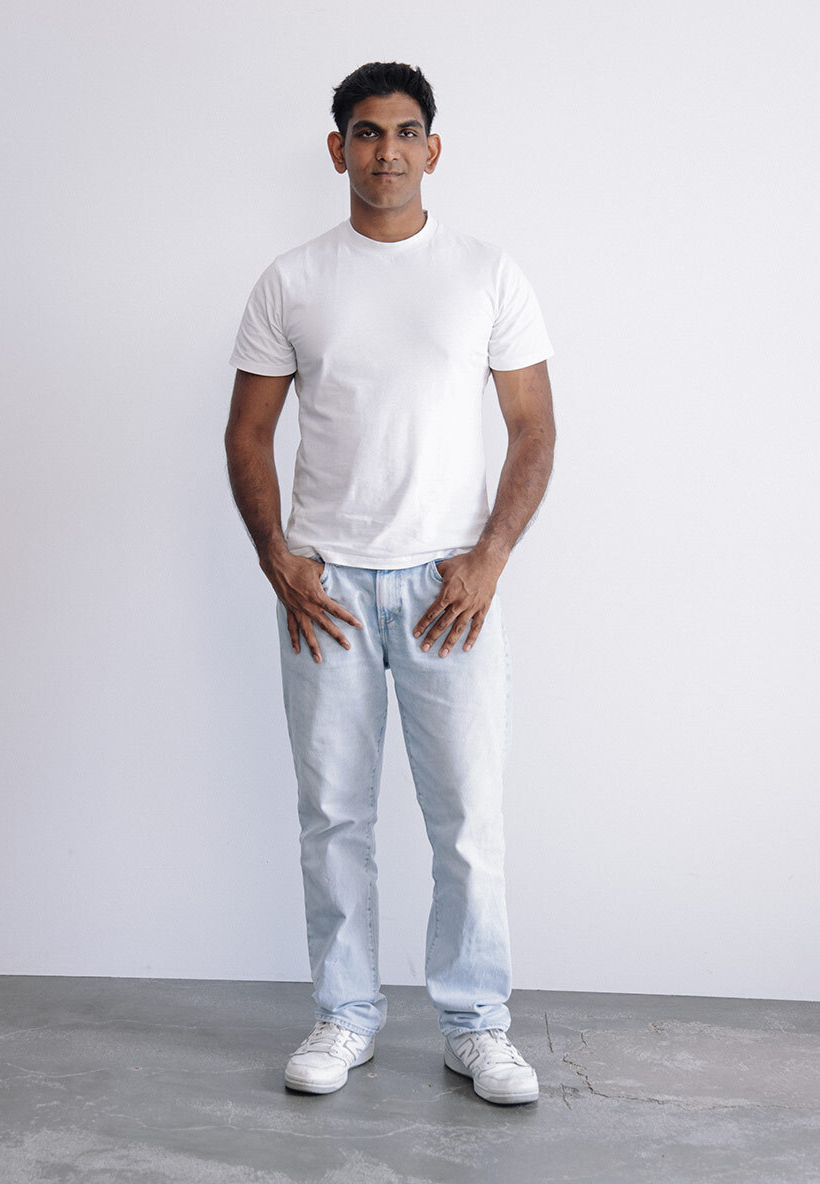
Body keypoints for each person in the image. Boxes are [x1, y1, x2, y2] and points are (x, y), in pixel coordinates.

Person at [225, 61, 556, 1106]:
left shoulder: (485, 272)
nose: (387, 151)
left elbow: (534, 429)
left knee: (467, 819)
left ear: (433, 148)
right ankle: (346, 1013)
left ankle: (477, 1025)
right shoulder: (292, 280)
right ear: (338, 149)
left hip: (448, 586)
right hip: (325, 587)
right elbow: (246, 431)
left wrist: (489, 556)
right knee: (333, 814)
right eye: (367, 133)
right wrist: (278, 557)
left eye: (406, 131)